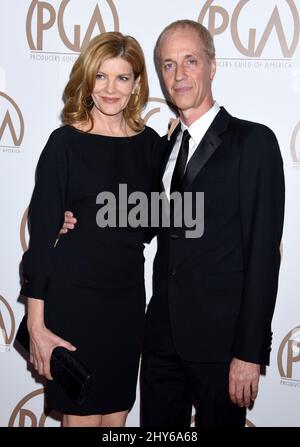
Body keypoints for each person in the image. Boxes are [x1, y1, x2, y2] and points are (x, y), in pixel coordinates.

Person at [62, 20, 285, 427]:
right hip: (160, 340)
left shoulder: (253, 143)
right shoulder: (160, 149)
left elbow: (263, 256)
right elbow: (141, 226)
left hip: (222, 347)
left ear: (212, 66)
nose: (179, 75)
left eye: (190, 61)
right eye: (167, 64)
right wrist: (71, 219)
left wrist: (249, 352)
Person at [20, 31, 161, 427]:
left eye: (122, 78)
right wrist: (36, 325)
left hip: (127, 307)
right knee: (81, 418)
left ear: (136, 85)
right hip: (74, 305)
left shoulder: (151, 147)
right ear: (87, 80)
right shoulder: (64, 144)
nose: (111, 89)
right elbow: (41, 244)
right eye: (101, 77)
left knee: (116, 419)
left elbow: (150, 227)